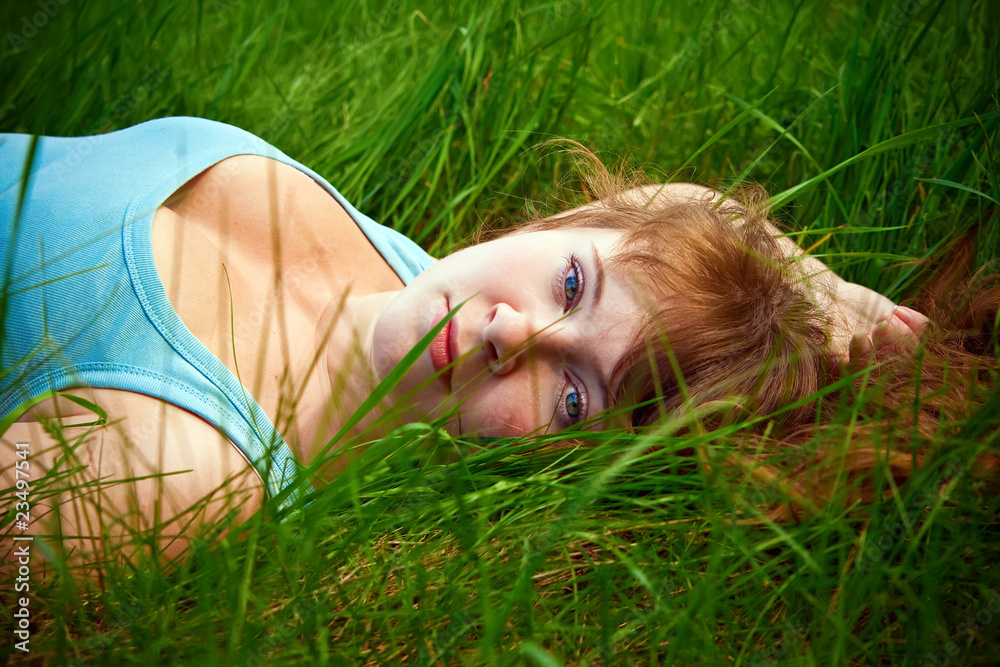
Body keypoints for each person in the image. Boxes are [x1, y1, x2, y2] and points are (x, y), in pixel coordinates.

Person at [0, 117, 992, 570]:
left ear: (561, 475)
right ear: (563, 221)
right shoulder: (404, 268)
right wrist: (818, 293)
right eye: (570, 284)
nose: (512, 330)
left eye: (574, 394)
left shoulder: (181, 473)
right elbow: (666, 215)